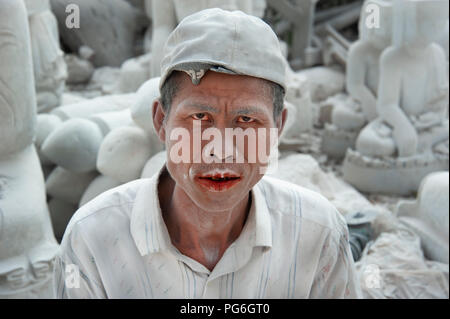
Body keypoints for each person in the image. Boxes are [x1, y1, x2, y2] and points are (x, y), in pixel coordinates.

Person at [54, 8, 361, 299]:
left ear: (278, 128)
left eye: (246, 120)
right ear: (161, 121)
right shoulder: (92, 239)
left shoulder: (318, 234)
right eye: (200, 118)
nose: (221, 151)